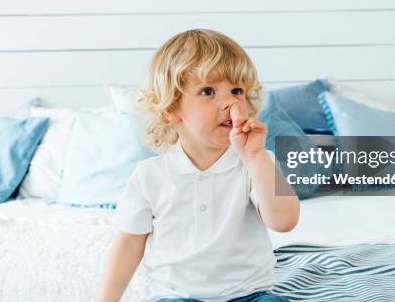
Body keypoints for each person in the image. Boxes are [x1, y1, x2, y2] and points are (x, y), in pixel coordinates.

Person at [97, 29, 299, 302]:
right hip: (177, 297)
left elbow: (284, 222)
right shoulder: (150, 175)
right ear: (171, 108)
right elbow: (130, 244)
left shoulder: (257, 163)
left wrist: (255, 157)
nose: (229, 102)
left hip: (249, 295)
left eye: (237, 90)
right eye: (208, 91)